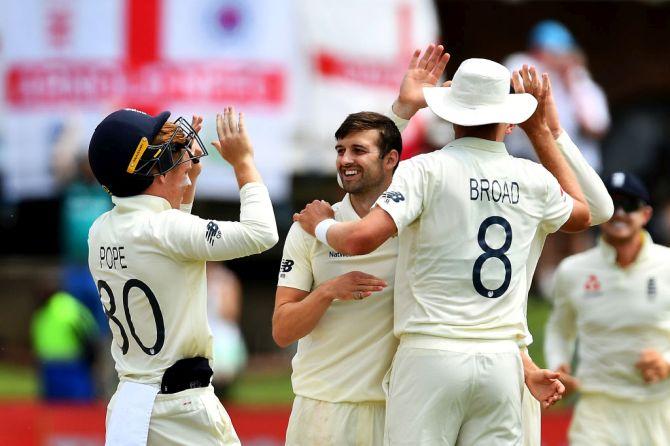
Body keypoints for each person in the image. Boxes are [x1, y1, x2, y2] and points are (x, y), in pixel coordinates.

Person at [294, 61, 609, 444]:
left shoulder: (425, 170)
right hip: (501, 360)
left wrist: (320, 226)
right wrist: (543, 131)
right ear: (508, 120)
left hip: (431, 354)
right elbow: (591, 210)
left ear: (451, 113)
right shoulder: (533, 179)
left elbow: (361, 238)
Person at [87, 107, 278, 445]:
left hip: (130, 406)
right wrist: (244, 162)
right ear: (153, 171)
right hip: (181, 408)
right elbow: (262, 233)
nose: (184, 160)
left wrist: (186, 183)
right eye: (171, 157)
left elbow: (167, 256)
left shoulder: (100, 231)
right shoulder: (165, 230)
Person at [545, 172, 670, 445]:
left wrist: (666, 363)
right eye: (612, 205)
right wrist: (558, 364)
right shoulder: (573, 270)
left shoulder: (667, 265)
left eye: (630, 205)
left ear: (646, 214)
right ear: (598, 211)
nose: (620, 213)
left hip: (658, 408)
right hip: (596, 410)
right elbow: (559, 329)